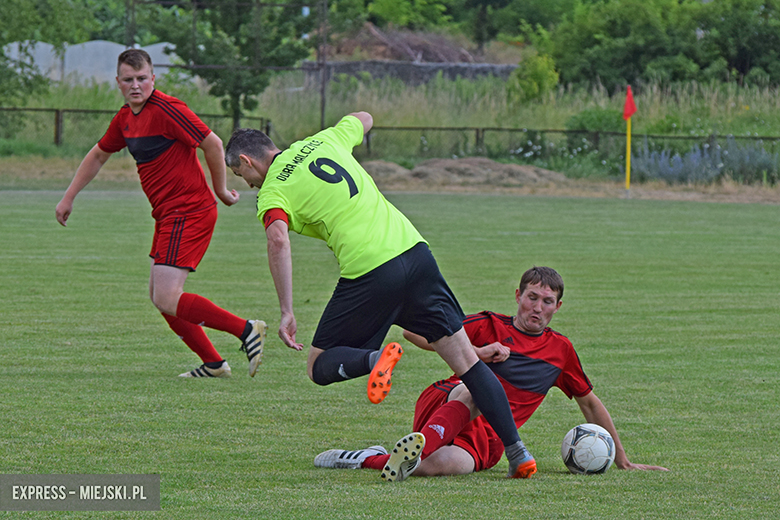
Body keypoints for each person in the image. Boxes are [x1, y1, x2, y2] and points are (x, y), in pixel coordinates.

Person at [224, 112, 536, 478]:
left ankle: (375, 359)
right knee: (467, 362)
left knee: (318, 366)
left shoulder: (273, 189)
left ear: (247, 161)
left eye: (239, 174)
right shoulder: (324, 139)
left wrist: (287, 310)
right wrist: (352, 127)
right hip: (416, 253)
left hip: (371, 270)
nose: (245, 183)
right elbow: (364, 117)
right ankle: (520, 455)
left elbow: (278, 239)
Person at [313, 266, 669, 481]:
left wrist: (622, 459)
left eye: (547, 302)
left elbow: (590, 403)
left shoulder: (561, 351)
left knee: (437, 468)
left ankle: (363, 457)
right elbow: (414, 333)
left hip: (490, 441)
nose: (537, 308)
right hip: (448, 400)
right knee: (476, 389)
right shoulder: (486, 325)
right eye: (532, 297)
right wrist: (477, 353)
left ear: (558, 307)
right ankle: (422, 445)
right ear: (518, 295)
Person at [55, 49, 266, 378]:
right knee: (161, 297)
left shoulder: (168, 109)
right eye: (129, 80)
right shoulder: (125, 119)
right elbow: (98, 155)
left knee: (167, 295)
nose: (136, 85)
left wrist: (221, 191)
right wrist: (69, 196)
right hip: (168, 214)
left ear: (153, 78)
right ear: (118, 82)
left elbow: (212, 143)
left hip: (189, 211)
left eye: (142, 78)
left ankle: (246, 329)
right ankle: (214, 364)